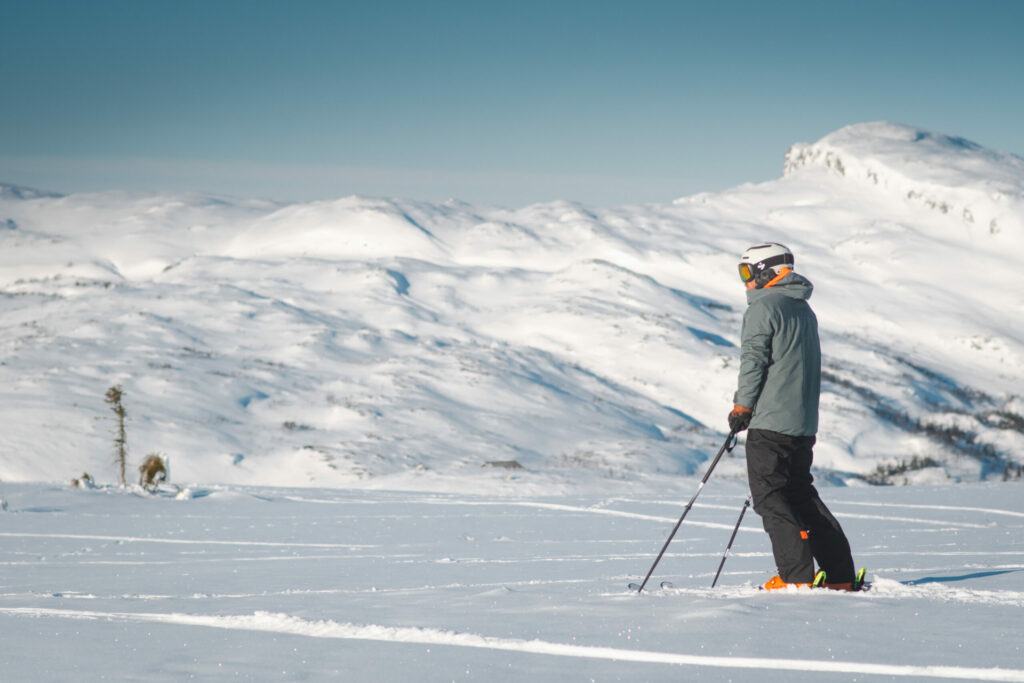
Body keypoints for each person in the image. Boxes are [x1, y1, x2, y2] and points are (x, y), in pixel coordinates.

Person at [728, 243, 857, 590]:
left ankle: (796, 578)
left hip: (771, 422)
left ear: (767, 272)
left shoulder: (764, 307)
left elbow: (754, 361)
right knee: (800, 494)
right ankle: (840, 575)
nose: (744, 281)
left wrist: (742, 407)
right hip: (802, 424)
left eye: (746, 272)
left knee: (770, 497)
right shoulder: (803, 308)